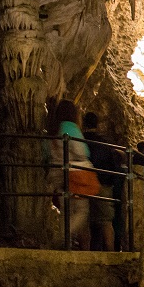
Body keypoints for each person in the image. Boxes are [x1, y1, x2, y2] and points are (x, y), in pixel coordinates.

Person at [49, 100, 93, 250]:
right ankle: (61, 236)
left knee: (66, 210)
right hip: (73, 174)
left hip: (56, 172)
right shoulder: (70, 127)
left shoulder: (53, 128)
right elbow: (82, 151)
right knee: (81, 210)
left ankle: (66, 242)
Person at [82, 112, 117, 251]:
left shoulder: (80, 140)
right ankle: (111, 251)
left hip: (83, 182)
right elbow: (112, 163)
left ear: (84, 123)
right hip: (102, 183)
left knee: (84, 220)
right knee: (105, 221)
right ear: (97, 124)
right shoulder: (104, 142)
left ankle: (85, 253)